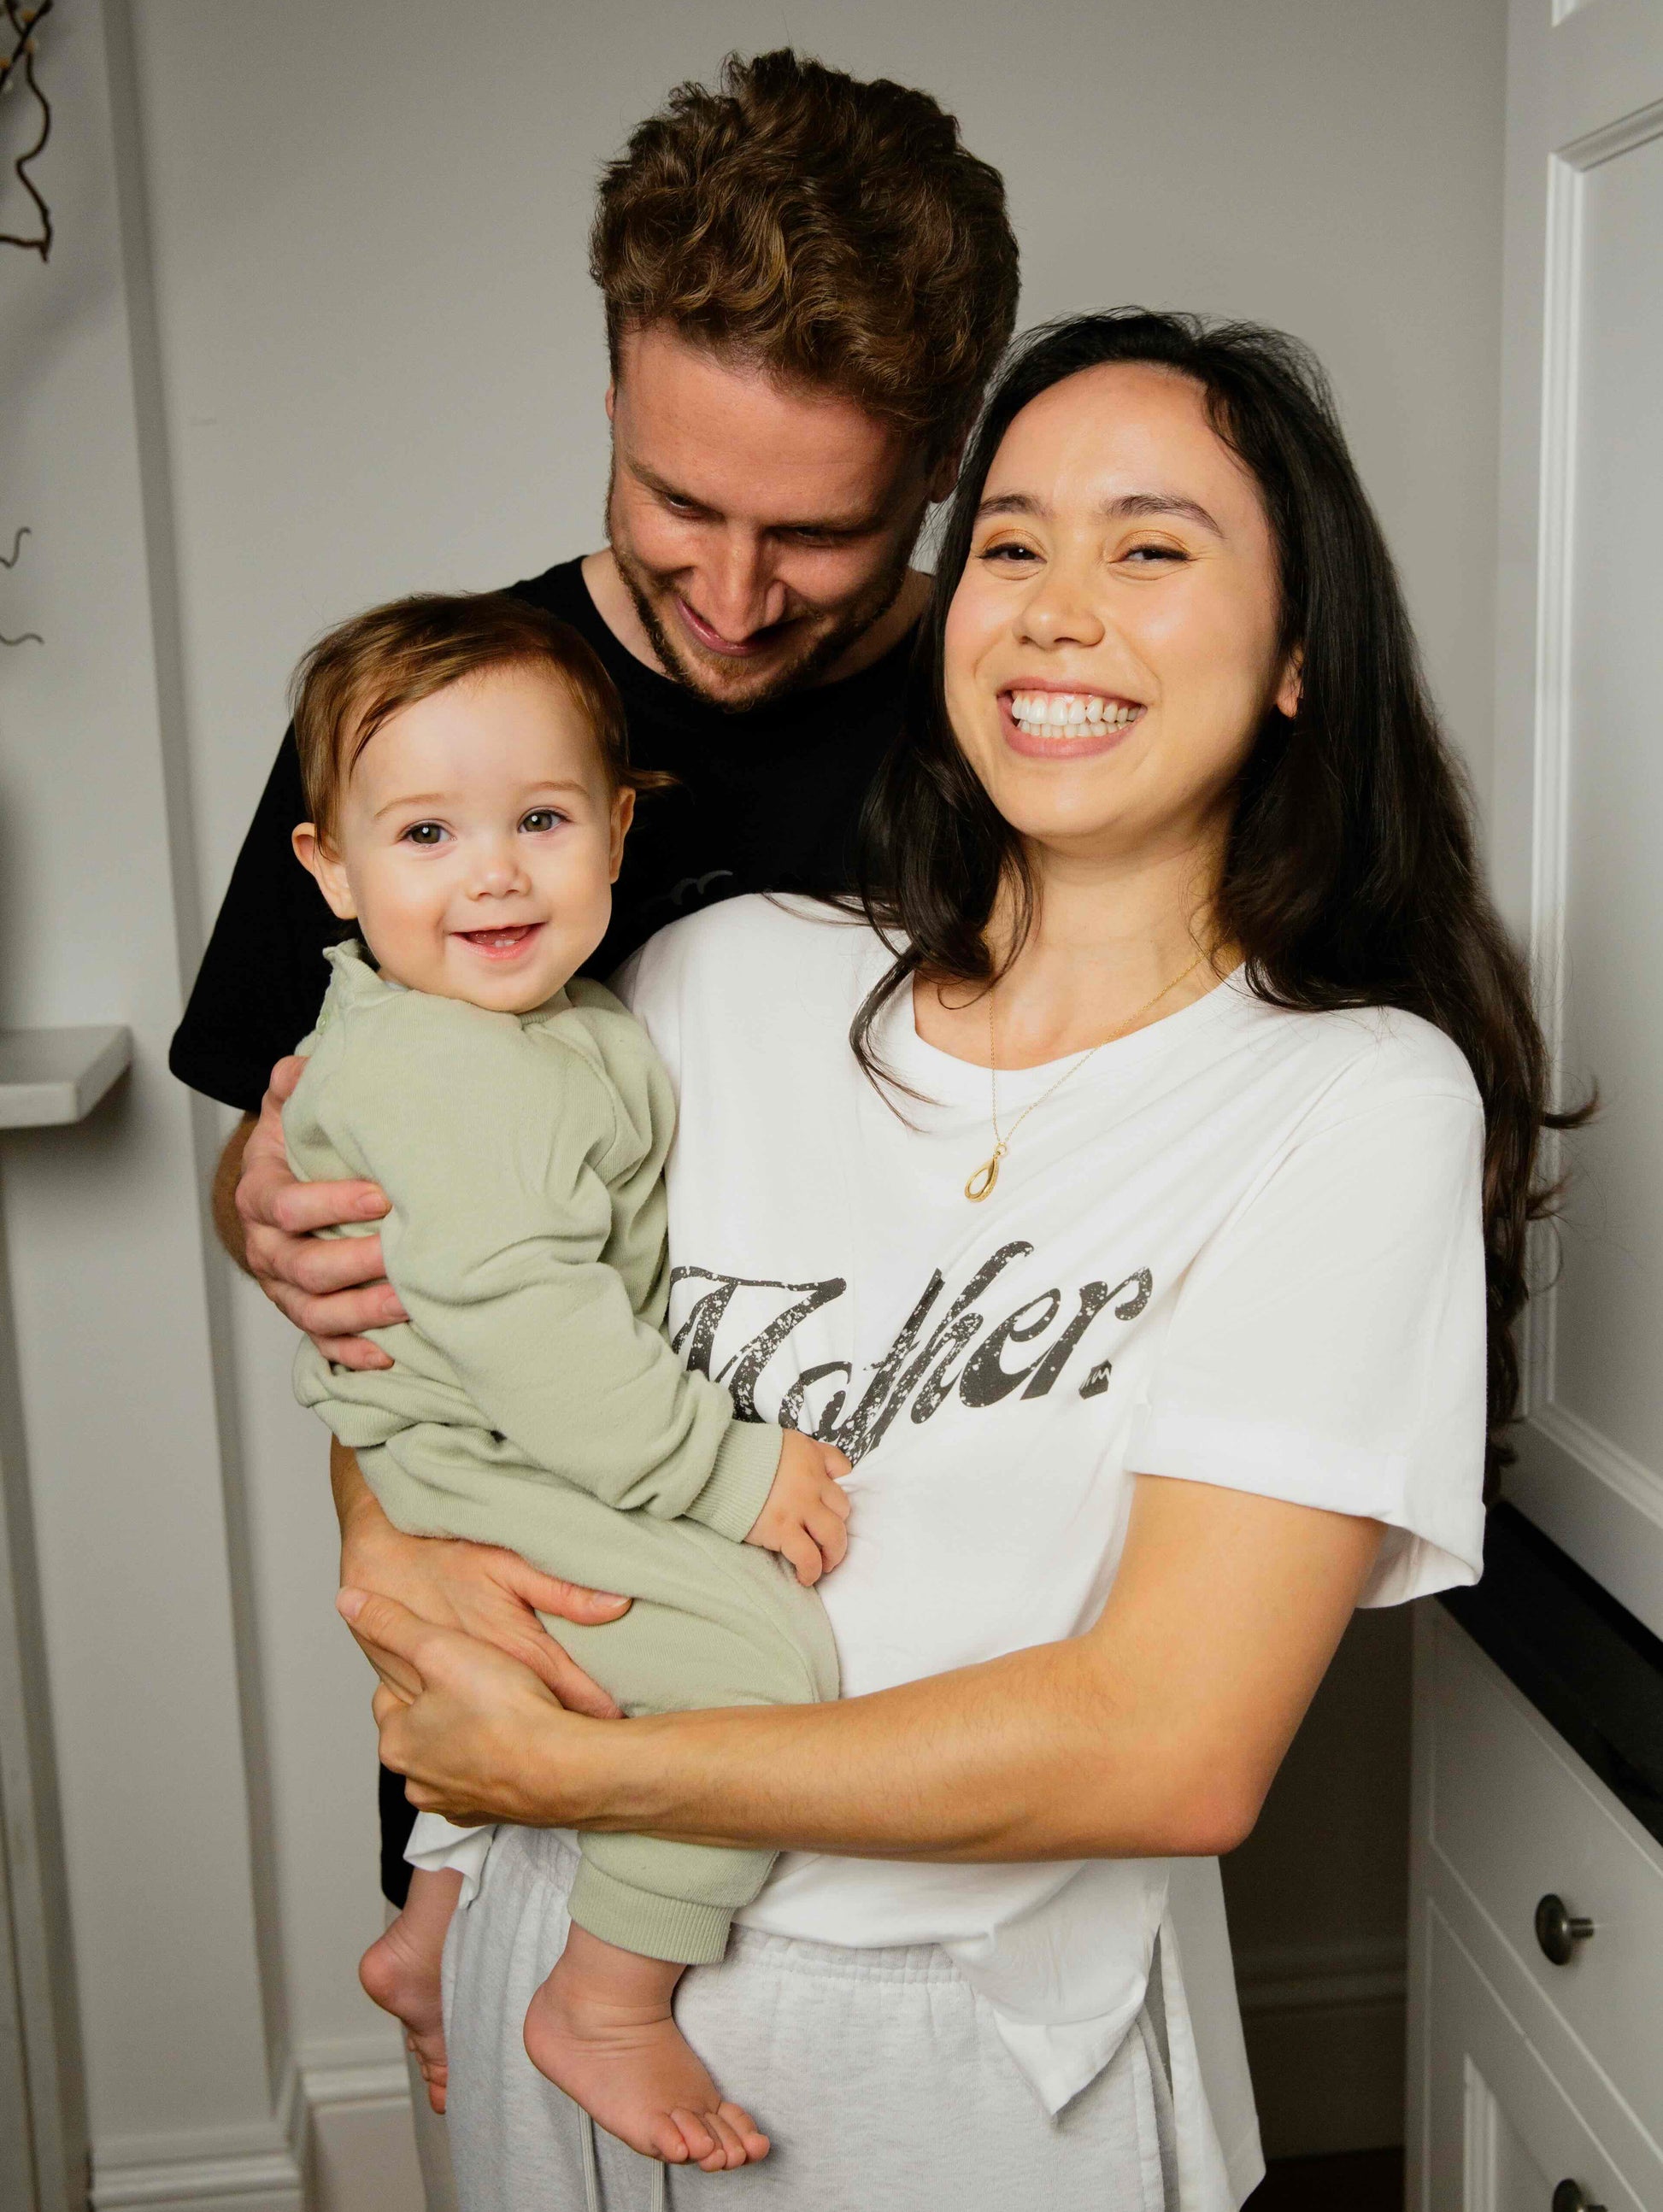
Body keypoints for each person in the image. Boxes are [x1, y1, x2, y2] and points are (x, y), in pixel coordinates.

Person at [328, 310, 1566, 2209]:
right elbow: (448, 1299)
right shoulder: (717, 973)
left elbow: (1166, 1747)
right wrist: (389, 1552)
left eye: (1150, 548)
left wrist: (580, 1768)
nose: (1058, 608)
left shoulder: (1351, 1100)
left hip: (958, 2050)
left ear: (1305, 653)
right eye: (1008, 543)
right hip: (542, 1958)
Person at [167, 50, 1018, 2198]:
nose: (730, 592)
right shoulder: (433, 715)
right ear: (616, 386)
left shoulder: (1024, 725)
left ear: (937, 464)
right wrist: (267, 1224)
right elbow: (276, 1164)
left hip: (917, 1712)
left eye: (816, 528)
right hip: (539, 1615)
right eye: (674, 502)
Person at [280, 592, 851, 2167]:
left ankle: (431, 1920)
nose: (491, 871)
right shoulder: (455, 1063)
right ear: (328, 867)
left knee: (530, 1658)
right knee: (757, 1658)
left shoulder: (516, 1020)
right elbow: (529, 1318)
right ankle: (602, 1996)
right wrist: (729, 1474)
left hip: (468, 1430)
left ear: (616, 827)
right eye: (424, 834)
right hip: (481, 1445)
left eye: (538, 818)